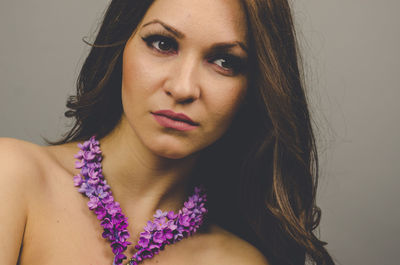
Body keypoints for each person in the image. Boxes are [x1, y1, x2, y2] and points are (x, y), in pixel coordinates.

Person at [0, 0, 335, 264]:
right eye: (162, 43)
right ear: (121, 46)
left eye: (224, 62)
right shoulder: (12, 176)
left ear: (253, 90)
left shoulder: (238, 261)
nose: (183, 87)